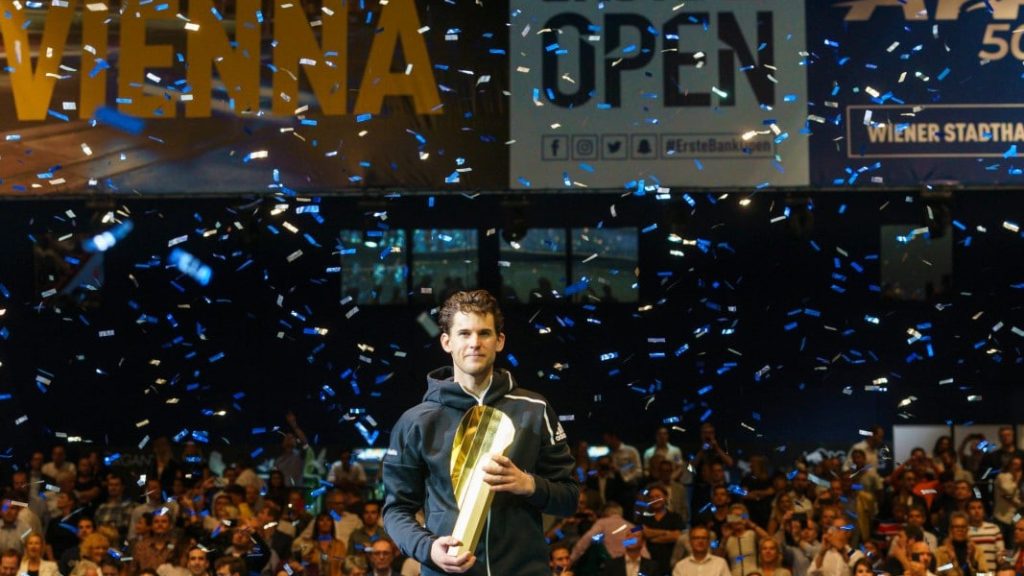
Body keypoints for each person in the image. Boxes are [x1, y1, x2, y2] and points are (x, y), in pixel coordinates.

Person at [382, 290, 579, 575]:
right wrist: (428, 549)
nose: (475, 343)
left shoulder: (534, 409)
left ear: (499, 341)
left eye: (484, 333)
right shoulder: (416, 421)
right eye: (464, 333)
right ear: (446, 342)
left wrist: (529, 484)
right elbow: (396, 510)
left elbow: (570, 498)